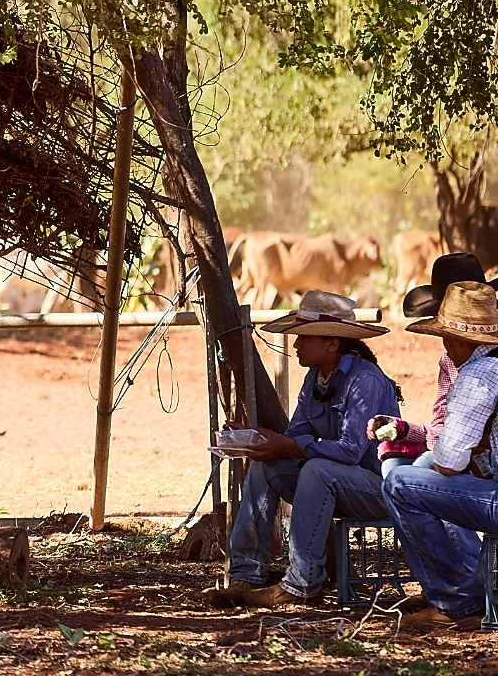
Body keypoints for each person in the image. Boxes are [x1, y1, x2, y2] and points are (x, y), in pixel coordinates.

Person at [210, 290, 401, 608]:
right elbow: (297, 434)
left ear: (332, 343)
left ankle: (303, 582)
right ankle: (247, 574)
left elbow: (352, 451)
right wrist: (259, 439)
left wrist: (289, 444)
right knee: (265, 464)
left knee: (316, 468)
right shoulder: (315, 378)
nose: (296, 344)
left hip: (376, 487)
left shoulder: (365, 381)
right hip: (331, 484)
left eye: (304, 338)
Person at [382, 281, 498, 631]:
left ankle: (454, 601)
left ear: (460, 340)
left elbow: (448, 461)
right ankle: (469, 584)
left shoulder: (478, 373)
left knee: (400, 483)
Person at [368, 253, 498, 475]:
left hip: (486, 466)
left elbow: (449, 459)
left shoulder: (480, 369)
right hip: (460, 456)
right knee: (395, 467)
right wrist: (403, 430)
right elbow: (440, 432)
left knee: (410, 475)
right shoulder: (449, 362)